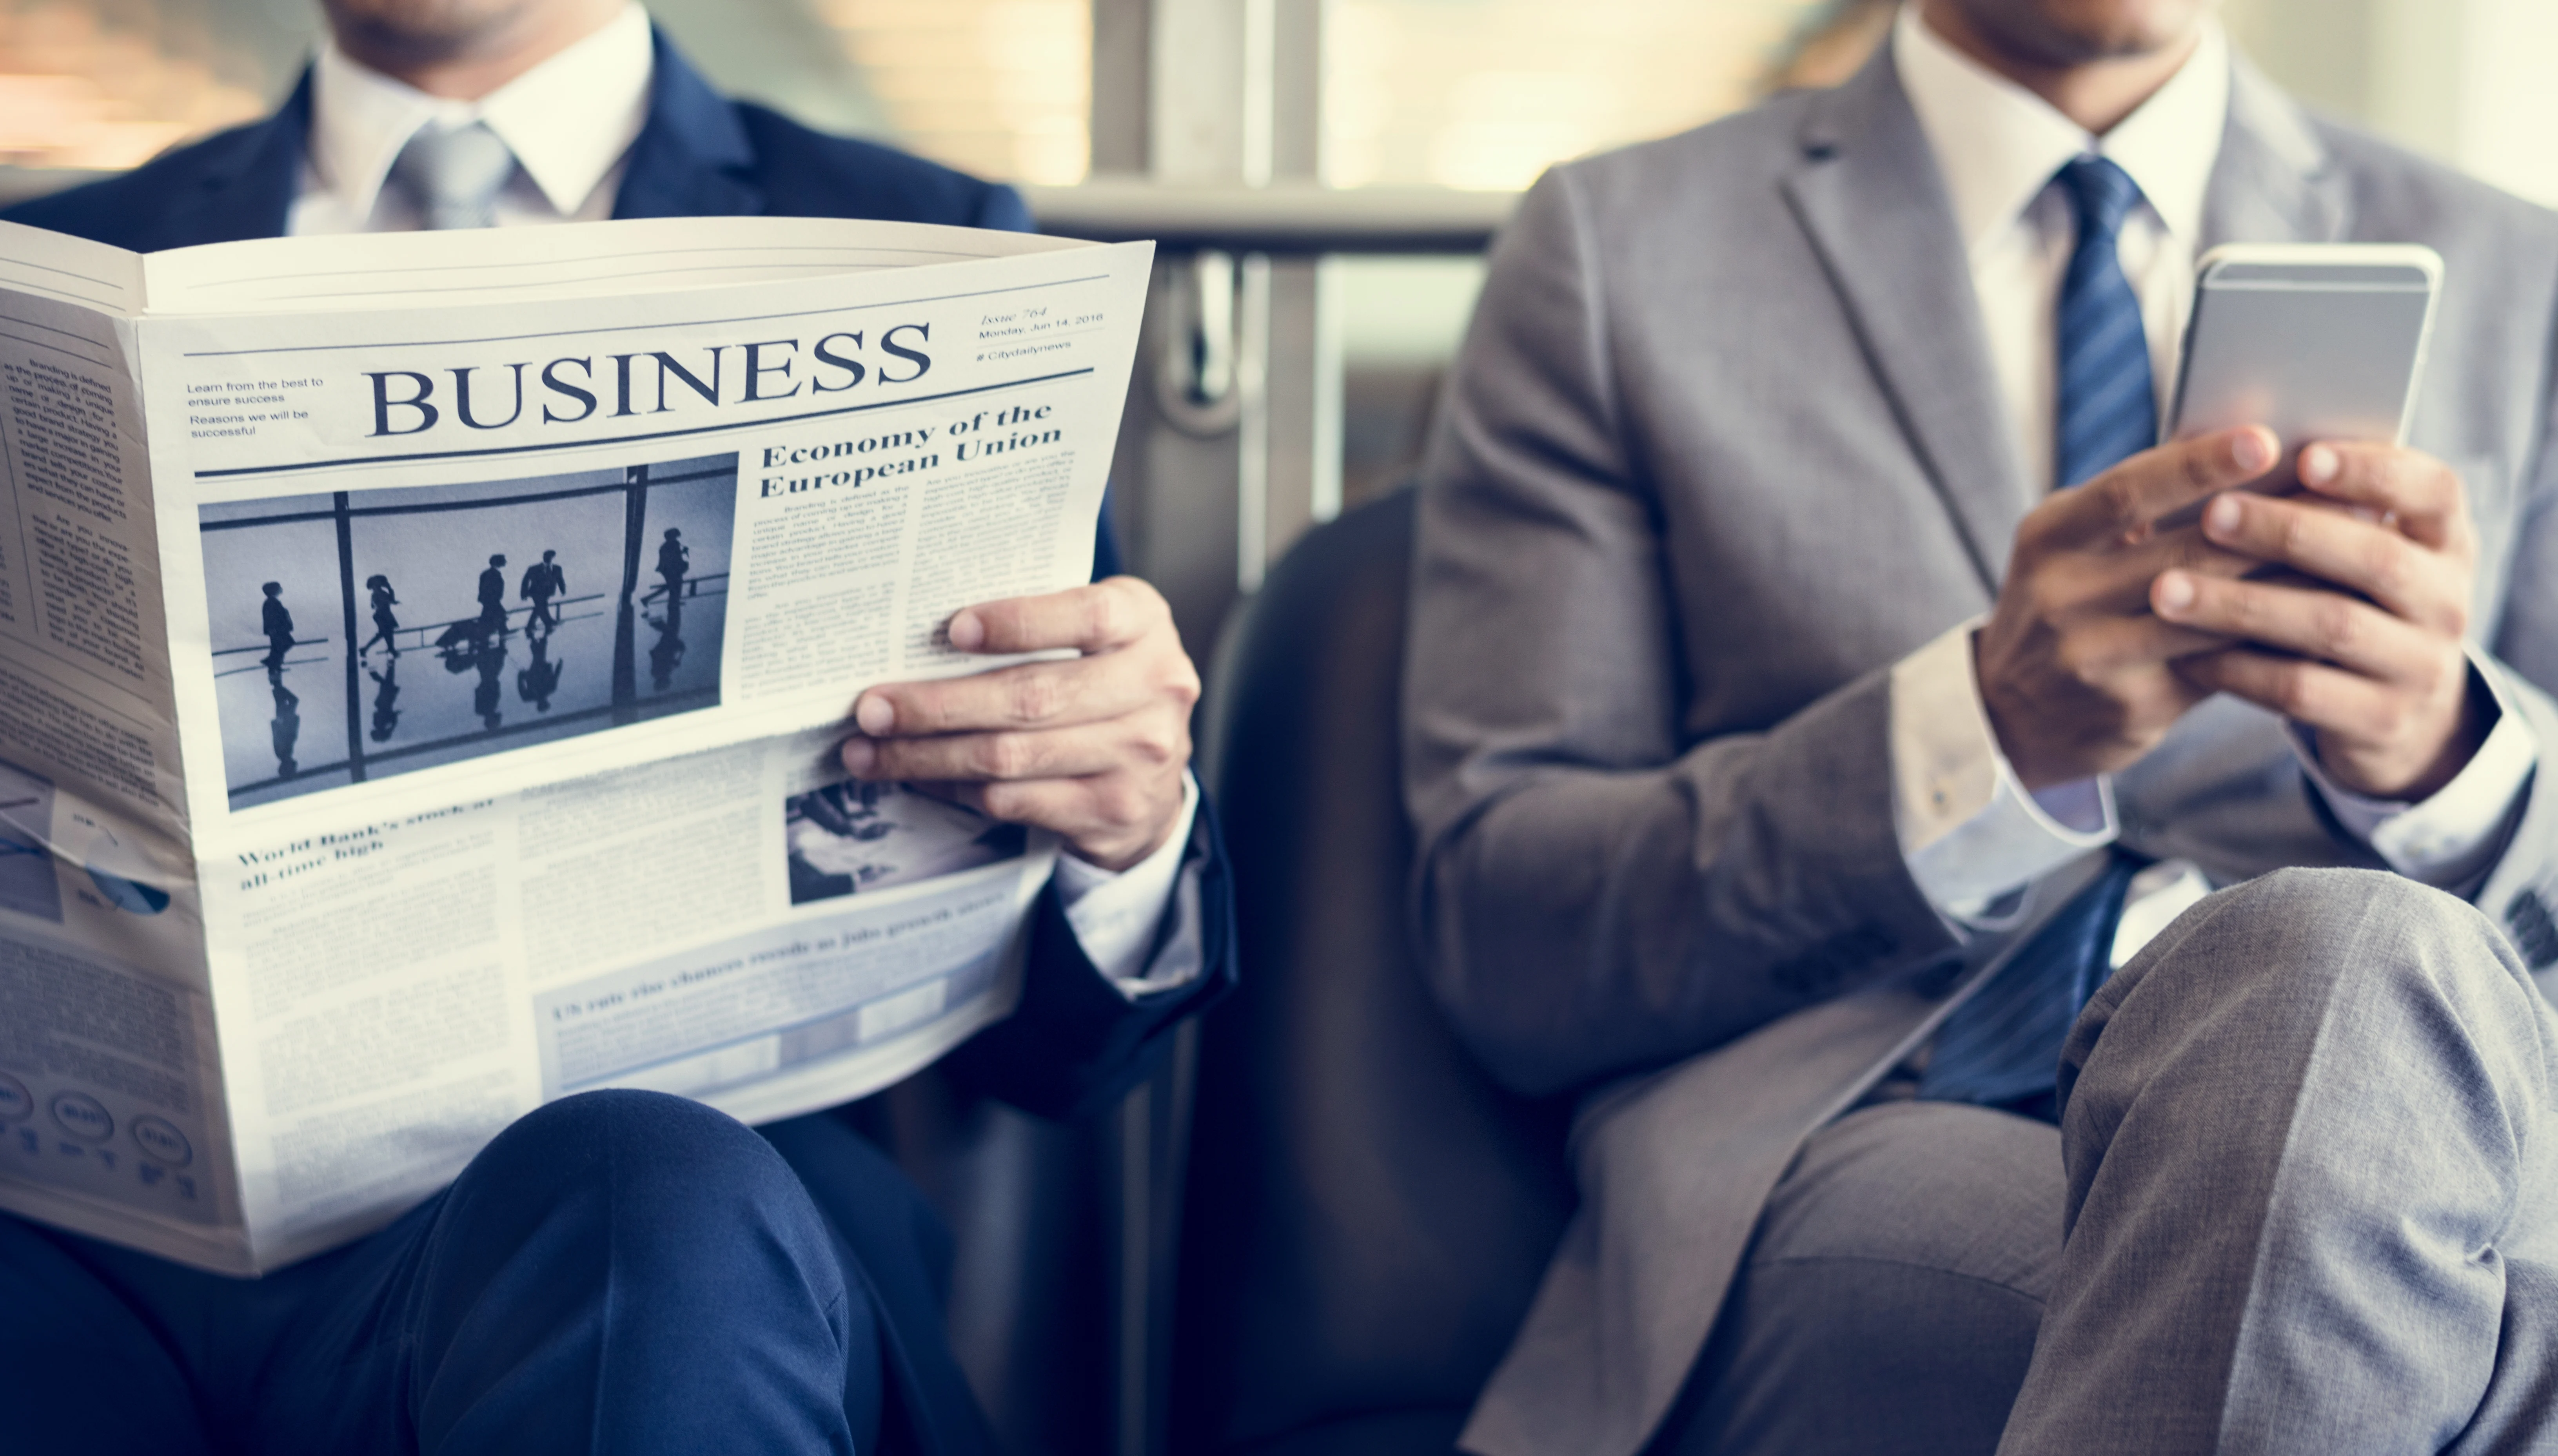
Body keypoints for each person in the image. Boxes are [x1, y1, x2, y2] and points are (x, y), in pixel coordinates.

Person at [0, 4, 1233, 1455]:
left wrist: (1123, 836)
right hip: (83, 1252)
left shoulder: (921, 243)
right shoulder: (56, 267)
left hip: (642, 1257)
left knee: (652, 1201)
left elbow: (1058, 1060)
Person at [1403, 2, 2558, 1454]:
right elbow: (1508, 932)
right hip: (1885, 1100)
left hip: (2459, 1123)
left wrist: (2453, 758)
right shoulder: (1615, 247)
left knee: (2349, 993)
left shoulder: (2514, 266)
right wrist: (1975, 735)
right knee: (2345, 1062)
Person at [521, 548, 566, 633]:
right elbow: (525, 581)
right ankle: (548, 622)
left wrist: (563, 590)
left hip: (548, 593)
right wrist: (524, 594)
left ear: (552, 558)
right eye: (546, 556)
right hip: (536, 593)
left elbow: (560, 580)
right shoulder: (534, 569)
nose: (548, 558)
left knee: (540, 607)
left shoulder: (557, 569)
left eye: (550, 557)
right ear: (544, 557)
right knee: (541, 606)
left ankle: (531, 625)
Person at [359, 571, 401, 656]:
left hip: (385, 615)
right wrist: (390, 590)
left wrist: (390, 590)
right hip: (382, 615)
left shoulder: (379, 594)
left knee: (386, 633)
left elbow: (390, 601)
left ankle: (390, 649)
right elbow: (390, 601)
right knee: (385, 633)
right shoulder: (377, 594)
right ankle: (391, 649)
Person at [258, 580, 295, 667]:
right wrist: (272, 629)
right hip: (277, 630)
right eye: (279, 588)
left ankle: (275, 661)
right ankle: (273, 661)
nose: (281, 589)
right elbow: (271, 617)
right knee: (286, 643)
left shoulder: (272, 602)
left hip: (278, 629)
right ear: (274, 590)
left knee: (279, 645)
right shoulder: (272, 602)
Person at [476, 551, 511, 640]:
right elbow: (487, 588)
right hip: (491, 600)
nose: (505, 562)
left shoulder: (490, 573)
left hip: (490, 600)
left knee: (488, 616)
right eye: (503, 561)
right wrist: (494, 598)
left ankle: (500, 630)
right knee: (500, 614)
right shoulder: (491, 574)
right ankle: (502, 630)